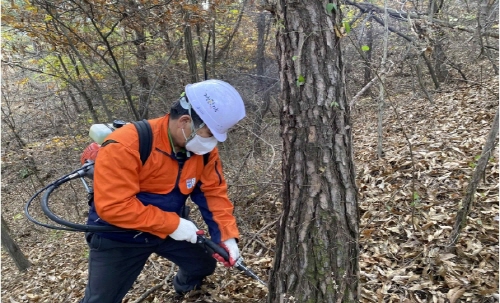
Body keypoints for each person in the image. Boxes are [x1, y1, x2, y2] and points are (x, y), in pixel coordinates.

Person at [80, 79, 246, 303]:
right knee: (101, 299)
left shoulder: (203, 152)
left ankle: (185, 289)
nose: (213, 142)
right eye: (210, 134)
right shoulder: (126, 144)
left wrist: (226, 236)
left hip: (170, 229)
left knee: (203, 264)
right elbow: (113, 206)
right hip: (119, 236)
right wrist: (174, 225)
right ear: (185, 122)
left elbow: (213, 192)